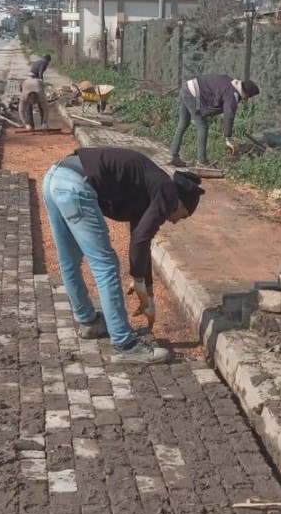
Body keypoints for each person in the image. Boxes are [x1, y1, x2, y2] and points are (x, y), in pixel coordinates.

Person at [41, 146, 205, 365]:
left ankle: (89, 322)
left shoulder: (150, 186)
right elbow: (140, 240)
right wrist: (137, 278)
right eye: (182, 216)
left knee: (69, 260)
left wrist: (146, 290)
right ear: (181, 203)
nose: (174, 221)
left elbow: (141, 238)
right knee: (106, 266)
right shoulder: (168, 192)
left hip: (55, 177)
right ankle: (125, 345)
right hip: (75, 186)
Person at [168, 74, 260, 167]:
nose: (247, 99)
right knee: (203, 127)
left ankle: (174, 156)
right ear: (246, 92)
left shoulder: (231, 84)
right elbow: (229, 116)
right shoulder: (233, 94)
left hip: (186, 88)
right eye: (248, 96)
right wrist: (228, 138)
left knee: (183, 124)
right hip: (193, 94)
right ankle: (201, 162)